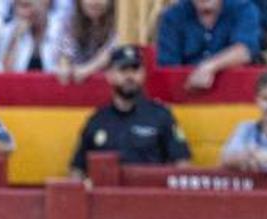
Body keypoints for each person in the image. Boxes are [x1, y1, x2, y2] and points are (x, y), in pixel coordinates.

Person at [70, 44, 191, 176]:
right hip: (108, 194)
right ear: (110, 75)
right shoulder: (97, 120)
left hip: (149, 194)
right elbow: (77, 171)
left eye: (135, 69)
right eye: (123, 69)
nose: (130, 76)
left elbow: (182, 165)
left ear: (143, 74)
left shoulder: (161, 116)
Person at [155, 0, 260, 91]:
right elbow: (168, 67)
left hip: (236, 93)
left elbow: (245, 51)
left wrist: (209, 67)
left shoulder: (243, 9)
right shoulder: (172, 16)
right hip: (185, 94)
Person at [56, 0, 117, 83]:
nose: (94, 2)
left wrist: (88, 69)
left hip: (109, 84)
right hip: (79, 85)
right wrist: (64, 64)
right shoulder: (71, 19)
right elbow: (65, 51)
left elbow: (112, 50)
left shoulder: (120, 20)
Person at [0, 0, 63, 71]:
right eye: (16, 6)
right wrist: (15, 39)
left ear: (44, 4)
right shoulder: (9, 30)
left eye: (26, 6)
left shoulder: (60, 30)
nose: (20, 12)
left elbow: (64, 67)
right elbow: (2, 72)